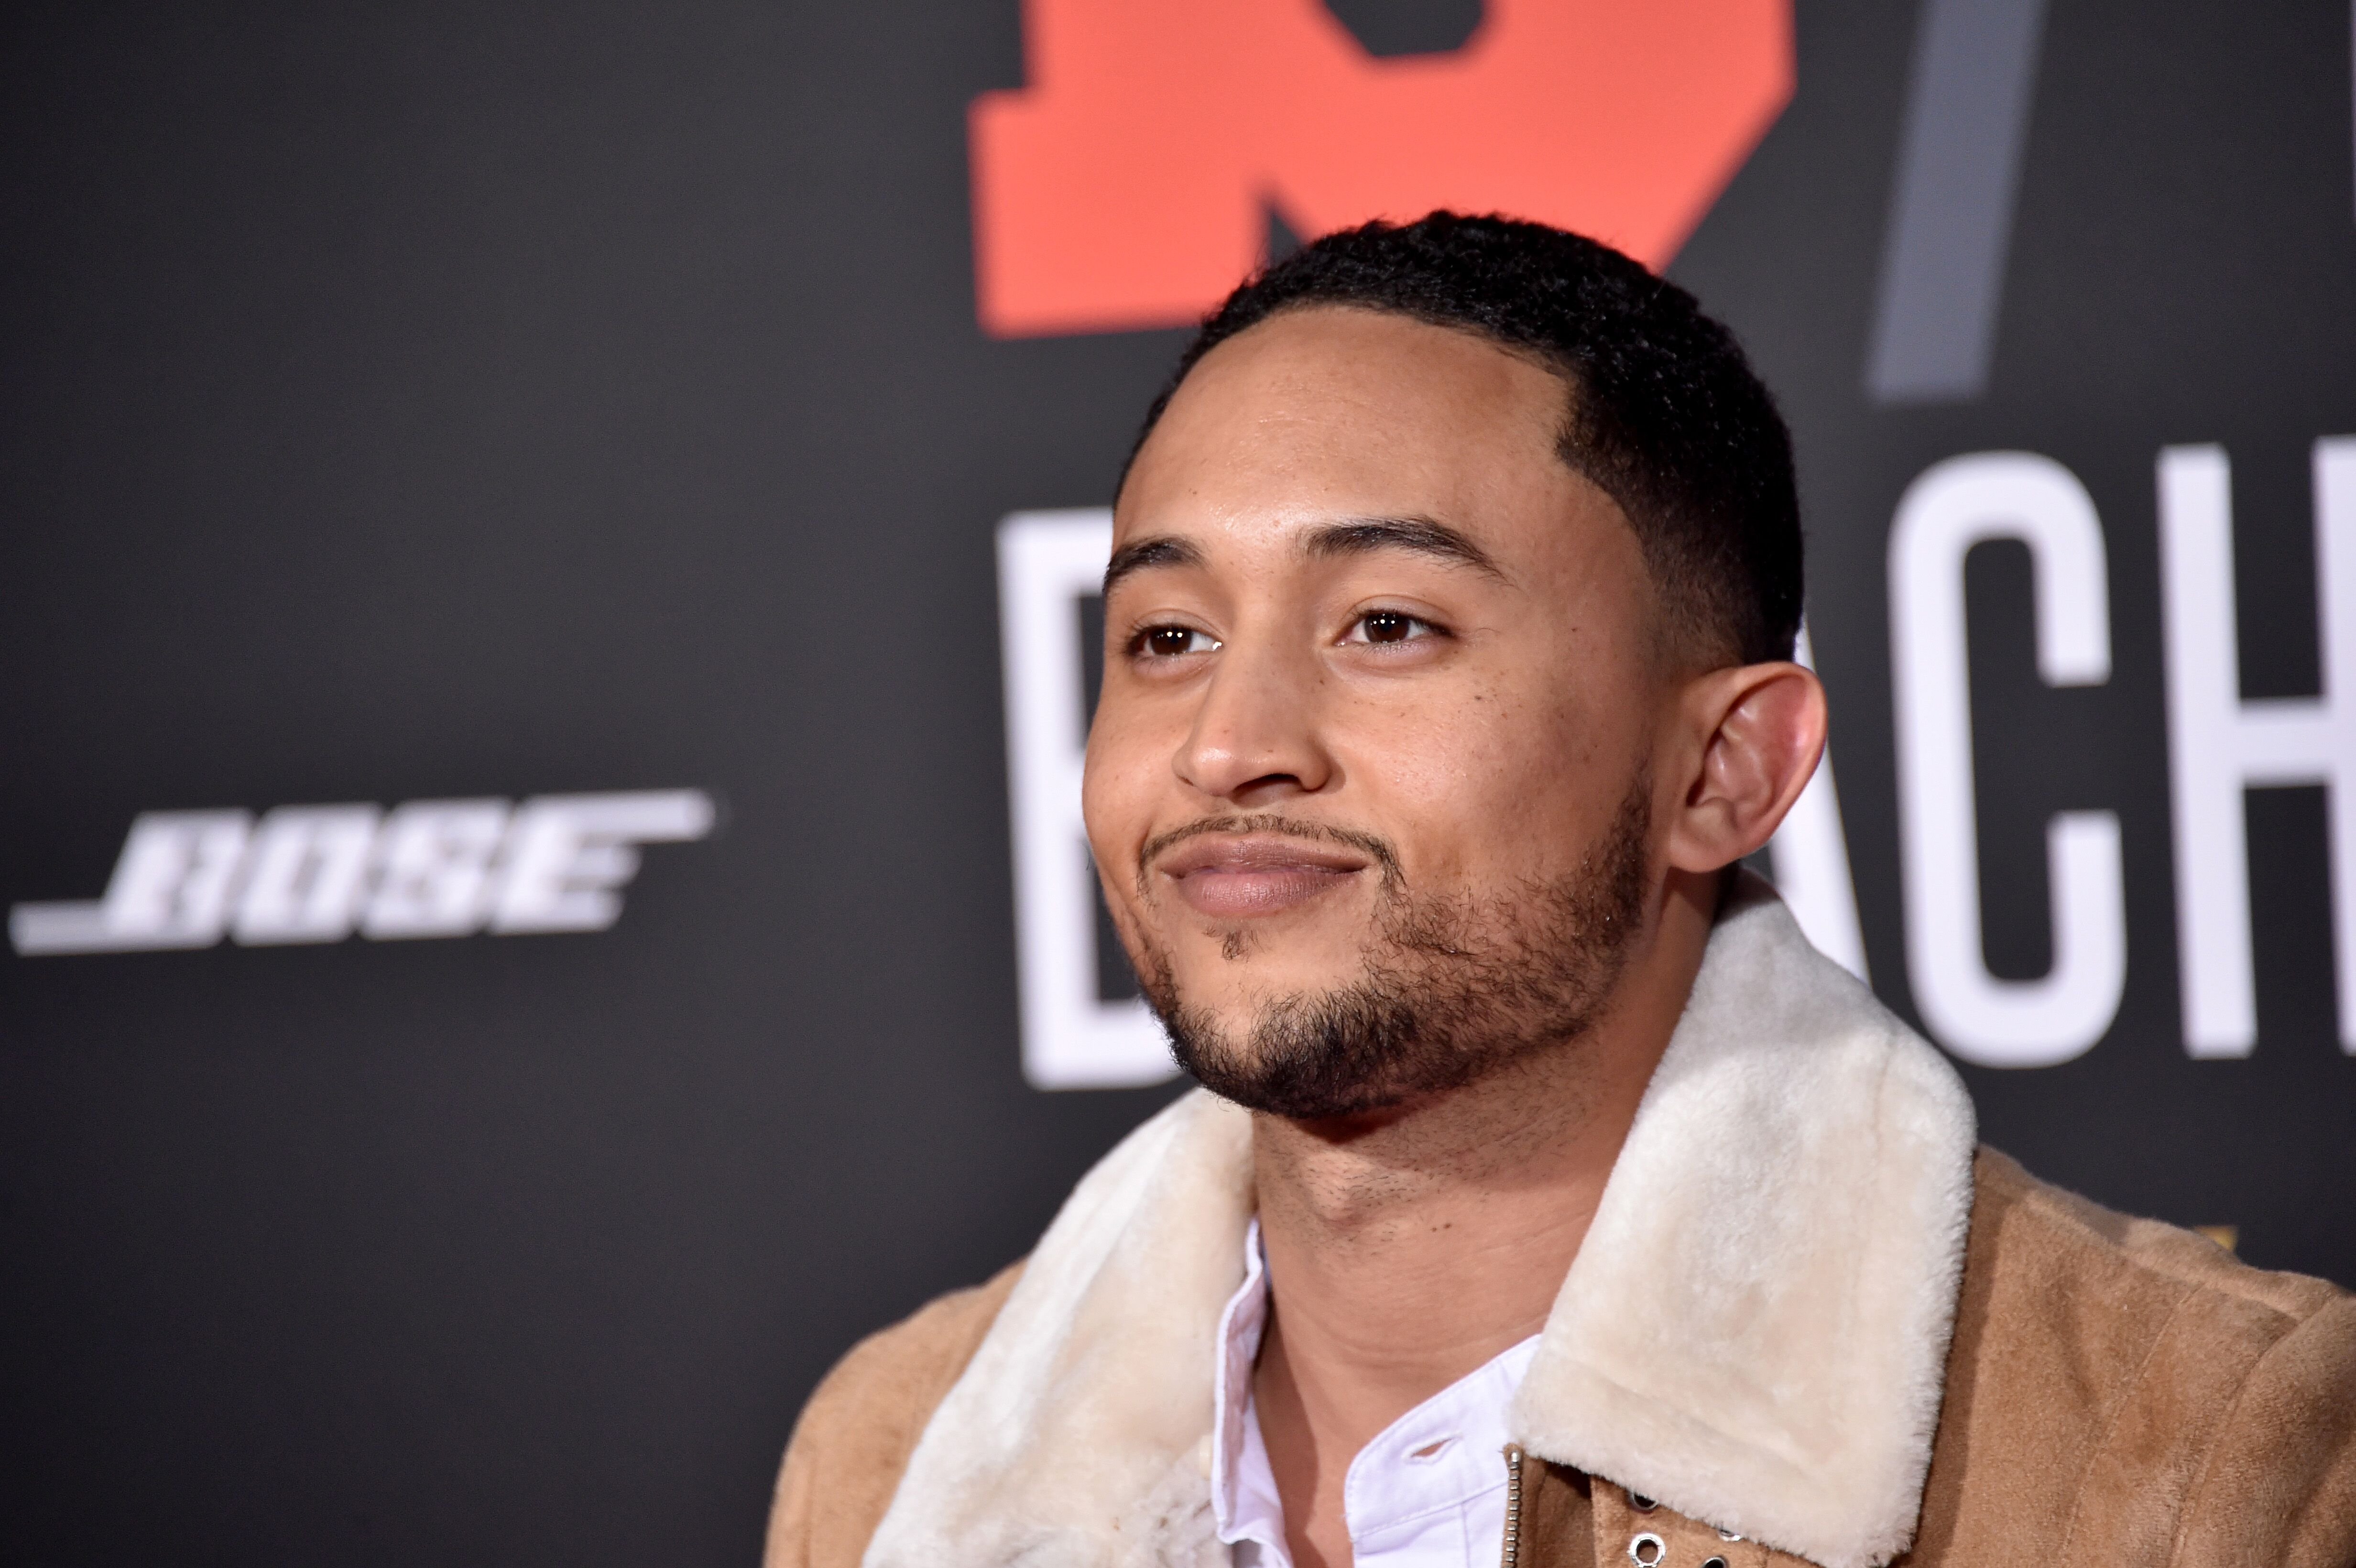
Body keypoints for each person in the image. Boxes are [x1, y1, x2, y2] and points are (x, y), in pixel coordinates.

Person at [764, 213, 2356, 1568]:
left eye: (1387, 625)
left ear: (1723, 770)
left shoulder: (2204, 1453)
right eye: (1167, 639)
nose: (1228, 746)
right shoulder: (899, 1459)